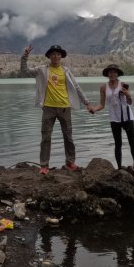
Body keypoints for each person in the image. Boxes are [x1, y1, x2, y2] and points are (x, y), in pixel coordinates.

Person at [20, 43, 92, 174]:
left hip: (65, 108)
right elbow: (25, 71)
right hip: (48, 108)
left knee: (68, 137)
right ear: (49, 56)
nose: (56, 56)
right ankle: (44, 165)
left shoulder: (66, 71)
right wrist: (24, 57)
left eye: (58, 54)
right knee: (46, 137)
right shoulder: (42, 69)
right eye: (53, 54)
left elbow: (76, 87)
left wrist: (87, 102)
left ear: (61, 56)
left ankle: (70, 163)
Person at [90, 63, 134, 170]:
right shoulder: (103, 87)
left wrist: (128, 95)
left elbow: (129, 102)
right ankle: (120, 168)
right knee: (118, 144)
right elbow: (102, 104)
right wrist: (94, 109)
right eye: (110, 72)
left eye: (115, 72)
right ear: (107, 74)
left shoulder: (123, 84)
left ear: (117, 74)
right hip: (114, 118)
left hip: (127, 117)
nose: (112, 74)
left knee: (132, 143)